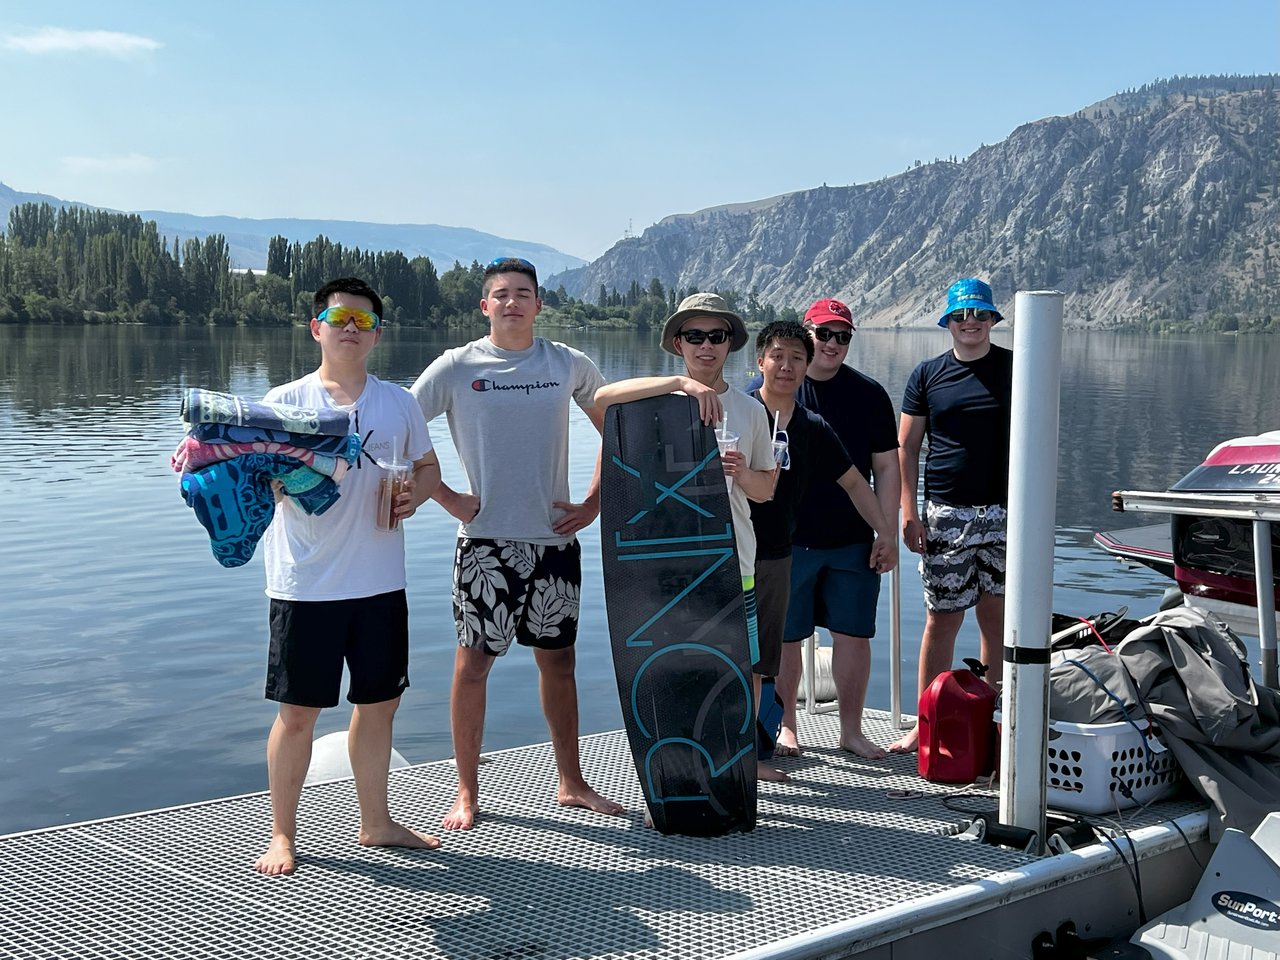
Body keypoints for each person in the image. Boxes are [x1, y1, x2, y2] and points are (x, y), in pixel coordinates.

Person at [410, 257, 623, 830]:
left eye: (523, 293)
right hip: (485, 545)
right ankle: (466, 791)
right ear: (485, 305)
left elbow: (618, 428)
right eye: (501, 294)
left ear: (538, 304)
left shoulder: (566, 363)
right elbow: (398, 428)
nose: (512, 302)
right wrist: (446, 497)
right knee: (473, 665)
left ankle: (571, 782)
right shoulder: (456, 366)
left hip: (554, 541)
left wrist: (594, 501)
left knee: (560, 663)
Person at [256, 276, 443, 876]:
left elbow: (428, 467)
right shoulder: (284, 402)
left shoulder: (399, 403)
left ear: (378, 335)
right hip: (305, 584)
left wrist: (417, 495)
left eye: (364, 322)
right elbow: (253, 481)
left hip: (380, 582)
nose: (351, 330)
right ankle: (282, 834)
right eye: (340, 319)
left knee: (380, 704)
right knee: (298, 714)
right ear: (317, 328)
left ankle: (376, 821)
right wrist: (273, 482)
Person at [595, 292, 784, 781]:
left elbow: (765, 490)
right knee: (670, 666)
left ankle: (741, 760)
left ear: (729, 343)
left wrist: (741, 472)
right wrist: (681, 384)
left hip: (733, 559)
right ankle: (673, 776)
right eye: (694, 335)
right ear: (678, 343)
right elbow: (600, 400)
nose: (706, 345)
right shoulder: (652, 400)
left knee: (741, 664)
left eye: (716, 336)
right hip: (669, 559)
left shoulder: (751, 410)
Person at [749, 298, 901, 760]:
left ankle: (851, 731)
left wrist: (886, 532)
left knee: (854, 633)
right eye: (824, 334)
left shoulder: (867, 396)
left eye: (843, 336)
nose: (833, 343)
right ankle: (787, 727)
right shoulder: (753, 402)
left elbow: (877, 472)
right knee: (785, 638)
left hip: (851, 540)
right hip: (785, 543)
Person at [890, 278, 1013, 753]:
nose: (970, 323)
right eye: (961, 315)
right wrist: (908, 511)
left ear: (993, 319)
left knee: (996, 618)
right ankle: (926, 723)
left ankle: (994, 719)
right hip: (945, 513)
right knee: (942, 619)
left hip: (1005, 513)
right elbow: (906, 447)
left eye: (979, 314)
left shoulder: (1015, 367)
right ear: (947, 322)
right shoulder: (927, 375)